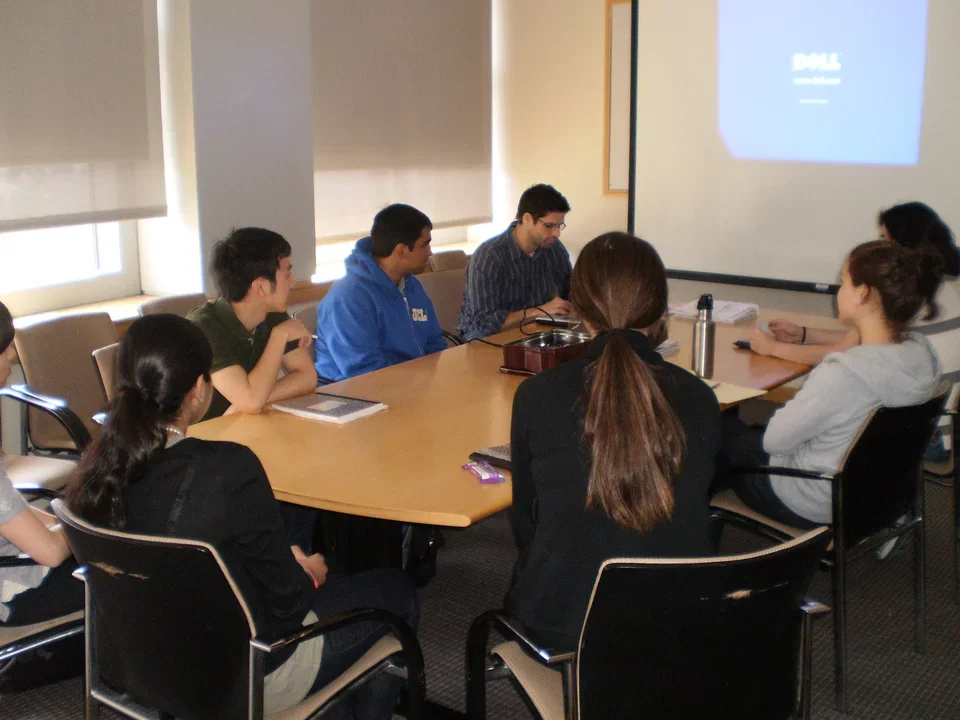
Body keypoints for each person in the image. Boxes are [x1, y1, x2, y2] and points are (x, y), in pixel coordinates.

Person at [66, 315, 418, 718]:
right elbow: (290, 606)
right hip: (243, 676)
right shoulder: (227, 469)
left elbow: (175, 542)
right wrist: (304, 569)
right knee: (395, 590)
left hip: (136, 665)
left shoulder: (95, 471)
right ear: (199, 389)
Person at [506, 232, 721, 651]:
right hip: (682, 622)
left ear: (580, 310)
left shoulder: (538, 396)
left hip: (566, 628)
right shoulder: (699, 398)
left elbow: (528, 523)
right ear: (661, 310)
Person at [719, 241, 943, 529]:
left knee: (713, 428)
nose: (839, 292)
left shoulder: (844, 374)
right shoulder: (921, 355)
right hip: (879, 495)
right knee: (742, 434)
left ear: (862, 294)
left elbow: (773, 441)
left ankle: (697, 550)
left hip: (814, 500)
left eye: (843, 283)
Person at [0, 301, 80, 627]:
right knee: (131, 576)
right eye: (5, 350)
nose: (9, 360)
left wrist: (61, 521)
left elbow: (8, 510)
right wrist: (84, 523)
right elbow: (48, 552)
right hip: (12, 589)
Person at [187, 227, 317, 422]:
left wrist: (247, 403)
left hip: (241, 424)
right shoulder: (205, 327)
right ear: (260, 287)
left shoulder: (273, 313)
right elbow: (251, 401)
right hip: (199, 438)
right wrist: (278, 337)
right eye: (286, 275)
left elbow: (307, 377)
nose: (293, 282)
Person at [314, 204, 446, 382]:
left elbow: (435, 344)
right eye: (425, 245)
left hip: (410, 386)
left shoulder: (411, 285)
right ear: (401, 251)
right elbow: (363, 370)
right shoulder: (349, 297)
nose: (430, 252)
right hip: (355, 393)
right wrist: (417, 380)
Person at [456, 184, 574, 341]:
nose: (557, 233)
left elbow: (570, 291)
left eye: (559, 226)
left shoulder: (553, 249)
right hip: (484, 336)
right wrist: (540, 311)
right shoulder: (489, 257)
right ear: (526, 219)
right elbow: (485, 323)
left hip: (533, 329)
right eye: (549, 226)